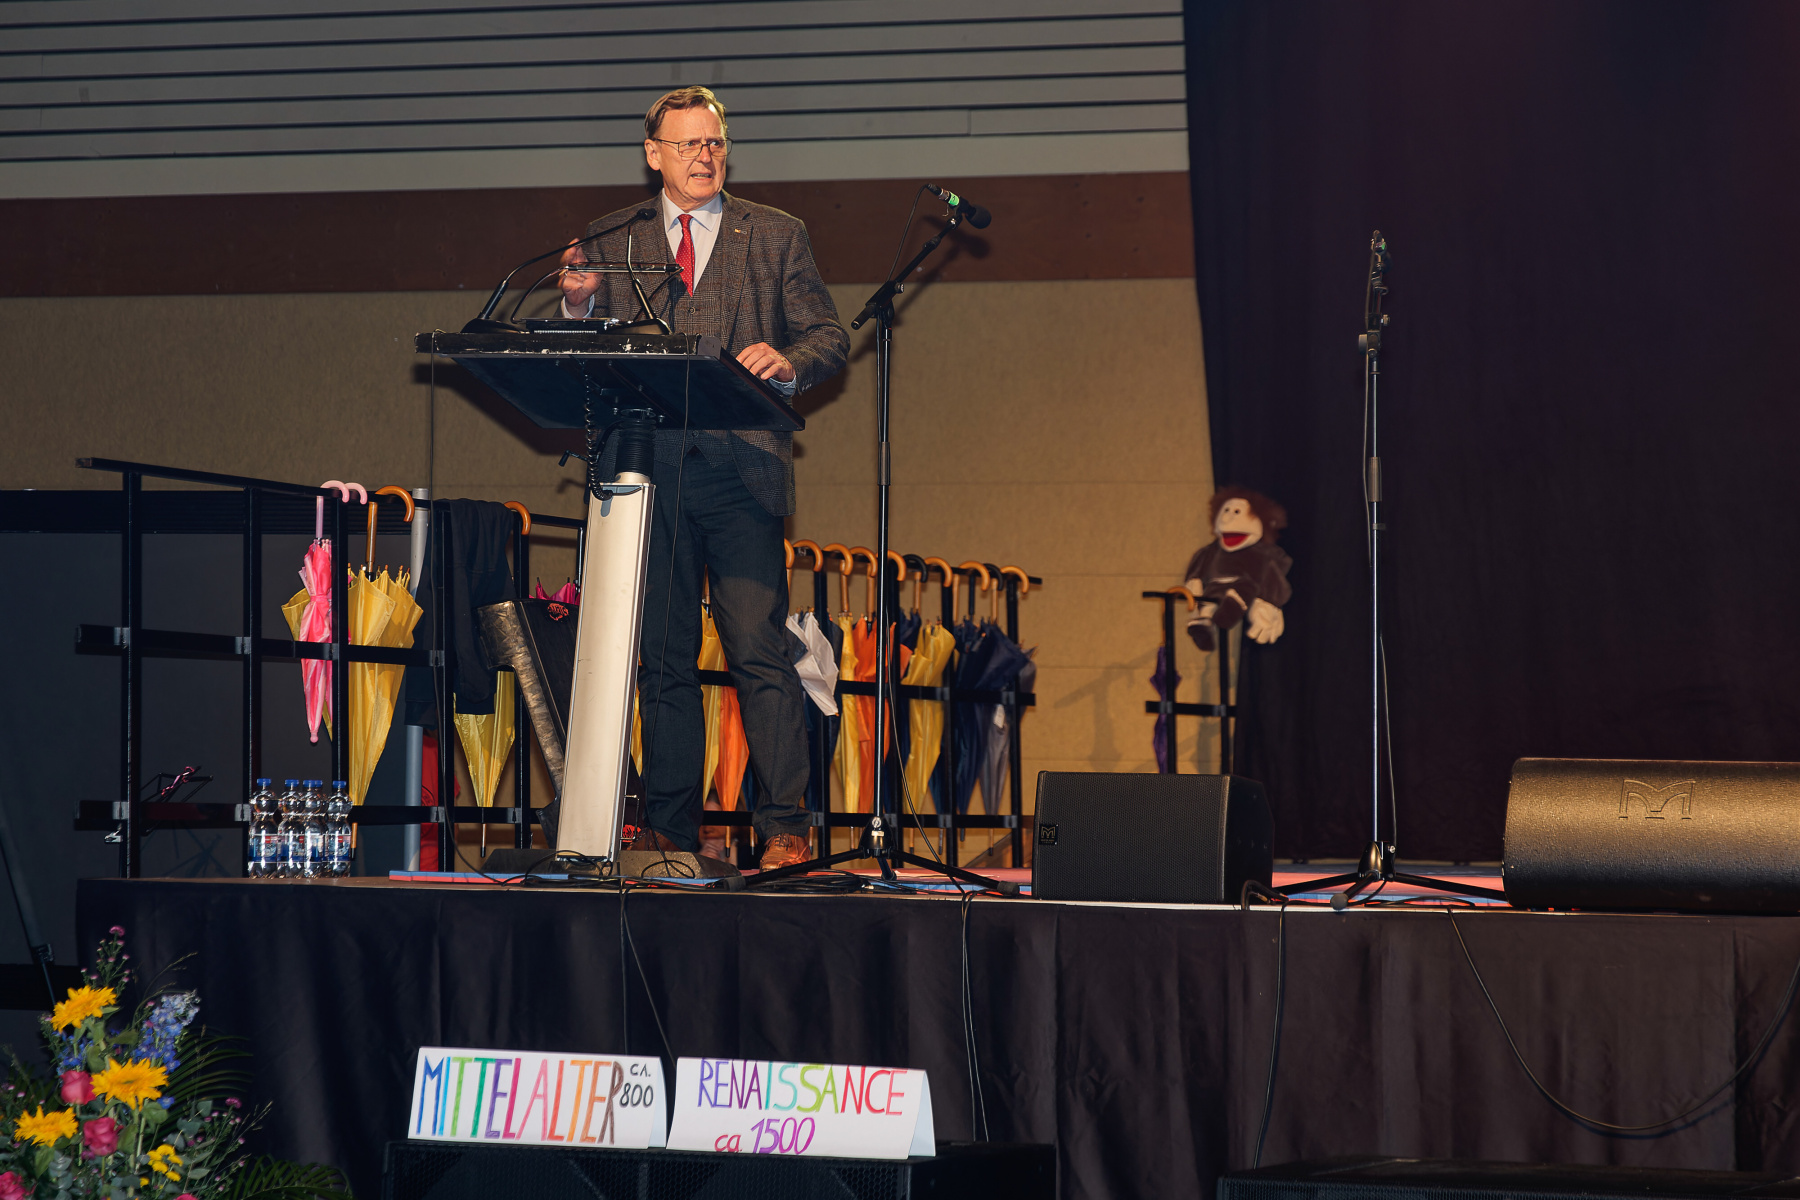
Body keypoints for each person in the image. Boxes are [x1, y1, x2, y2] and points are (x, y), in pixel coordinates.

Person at [559, 86, 849, 871]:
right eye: (687, 144)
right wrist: (579, 309)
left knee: (759, 648)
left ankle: (784, 828)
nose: (704, 156)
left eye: (714, 143)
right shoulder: (613, 236)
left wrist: (789, 361)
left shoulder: (777, 234)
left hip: (742, 472)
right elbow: (593, 349)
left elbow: (829, 334)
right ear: (654, 154)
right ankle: (671, 831)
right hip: (647, 473)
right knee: (663, 658)